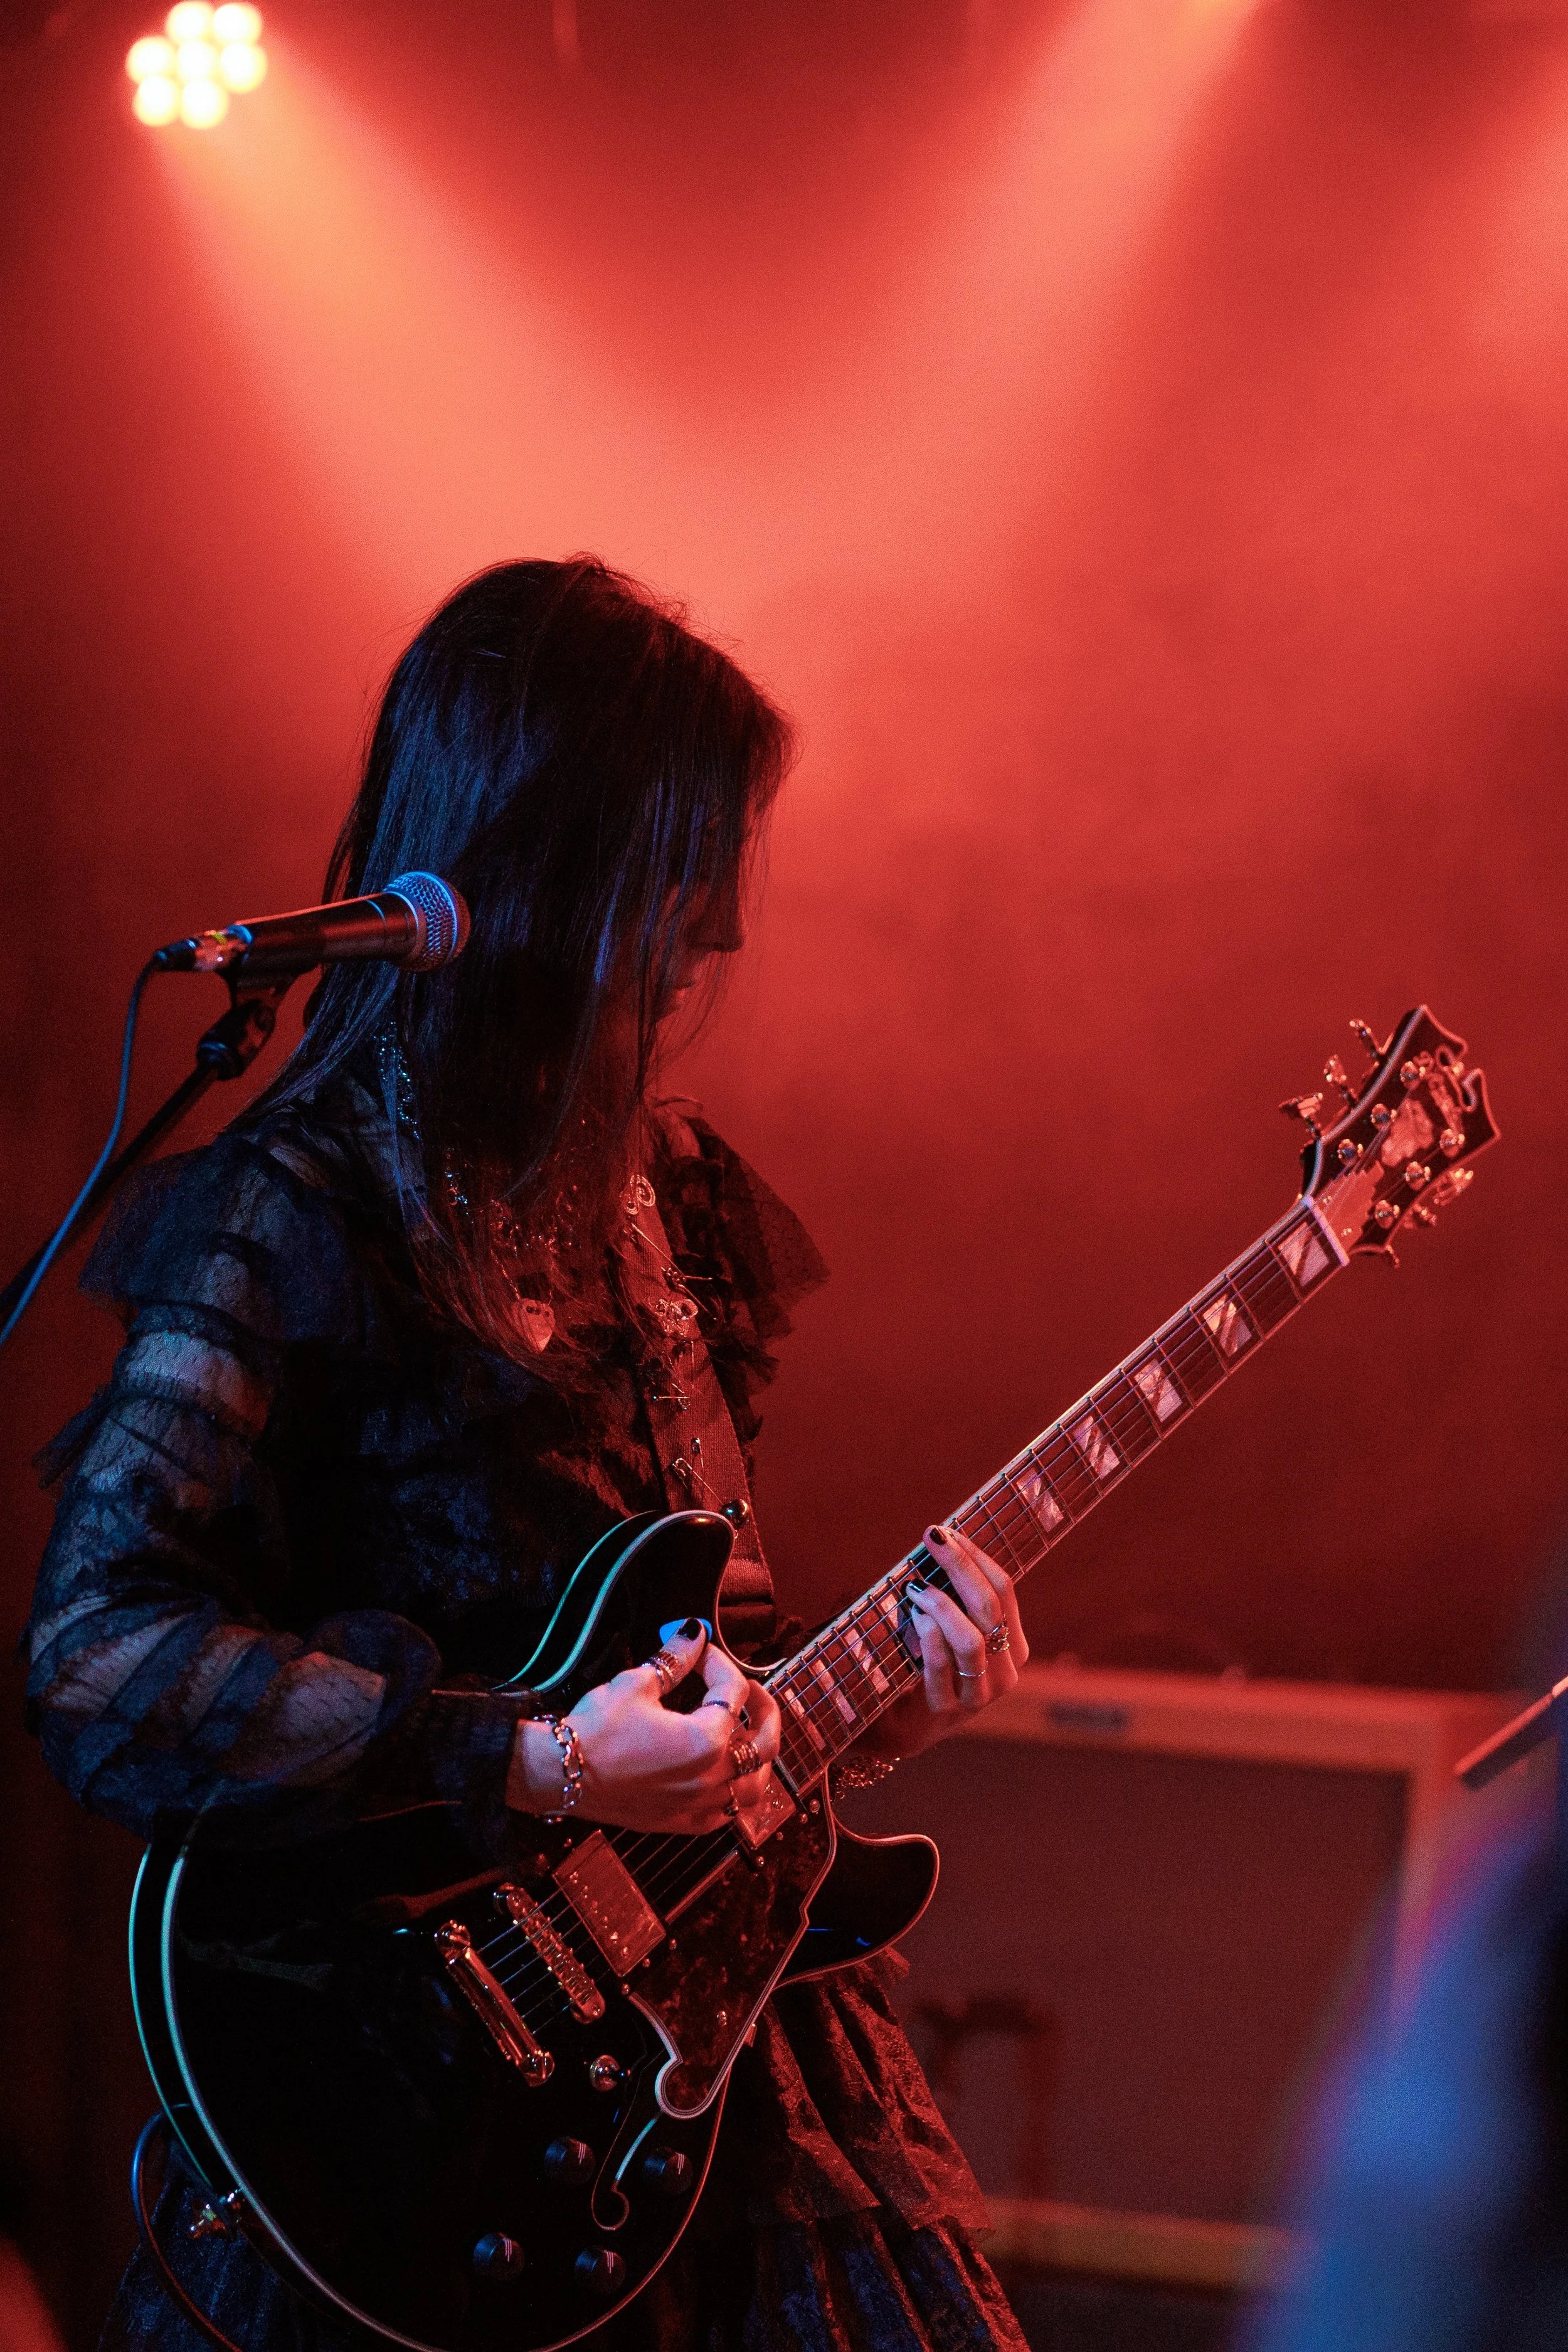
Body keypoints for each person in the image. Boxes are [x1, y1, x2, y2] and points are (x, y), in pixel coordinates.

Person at [24, 558, 1033, 2352]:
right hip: (406, 2082)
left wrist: (880, 1698)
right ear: (535, 850)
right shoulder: (295, 1210)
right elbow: (100, 1650)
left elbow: (714, 1662)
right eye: (673, 862)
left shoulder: (685, 1209)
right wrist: (540, 1758)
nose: (713, 929)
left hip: (710, 2048)